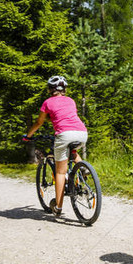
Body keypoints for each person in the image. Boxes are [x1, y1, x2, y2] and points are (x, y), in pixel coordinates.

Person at [24, 75, 88, 216]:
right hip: (82, 133)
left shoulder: (47, 103)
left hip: (64, 134)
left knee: (60, 172)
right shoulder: (71, 101)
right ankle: (83, 167)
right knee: (72, 150)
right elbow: (67, 116)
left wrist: (28, 136)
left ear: (50, 89)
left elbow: (39, 122)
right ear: (64, 89)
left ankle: (58, 208)